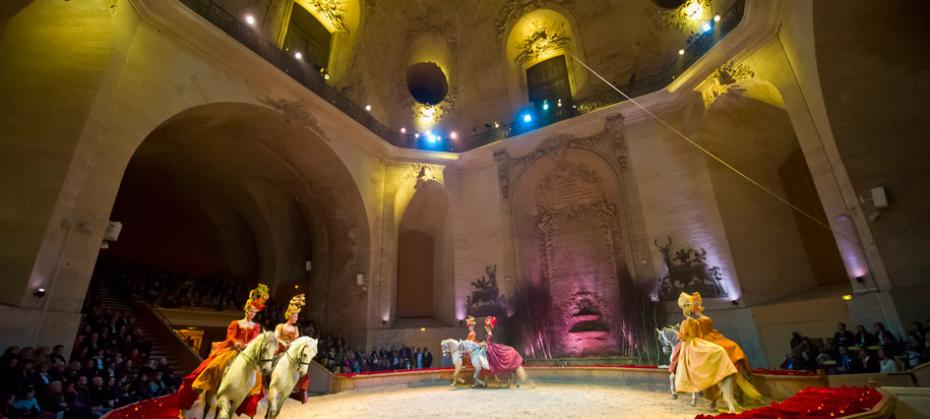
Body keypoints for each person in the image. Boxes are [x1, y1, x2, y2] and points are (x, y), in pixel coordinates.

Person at [177, 284, 269, 415]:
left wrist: (249, 346)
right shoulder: (236, 323)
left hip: (247, 351)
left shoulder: (256, 326)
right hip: (233, 349)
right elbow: (231, 336)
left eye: (254, 312)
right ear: (246, 310)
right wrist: (236, 342)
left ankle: (248, 396)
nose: (252, 314)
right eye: (250, 311)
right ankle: (208, 384)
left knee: (258, 374)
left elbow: (254, 339)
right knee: (215, 365)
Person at [691, 292, 762, 405]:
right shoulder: (701, 319)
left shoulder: (698, 320)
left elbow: (696, 332)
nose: (695, 309)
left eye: (695, 307)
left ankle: (713, 395)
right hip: (709, 337)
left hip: (706, 340)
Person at [673, 293, 739, 410]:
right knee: (718, 350)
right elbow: (700, 335)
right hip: (699, 342)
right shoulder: (696, 322)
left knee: (678, 361)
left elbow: (683, 338)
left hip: (689, 346)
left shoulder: (684, 323)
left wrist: (678, 334)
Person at [274, 294, 309, 404]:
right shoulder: (280, 326)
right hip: (280, 350)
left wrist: (294, 344)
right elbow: (275, 337)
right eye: (295, 316)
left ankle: (301, 389)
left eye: (297, 316)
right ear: (290, 315)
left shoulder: (296, 328)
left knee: (303, 365)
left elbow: (297, 340)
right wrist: (283, 342)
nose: (297, 318)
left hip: (291, 351)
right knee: (270, 365)